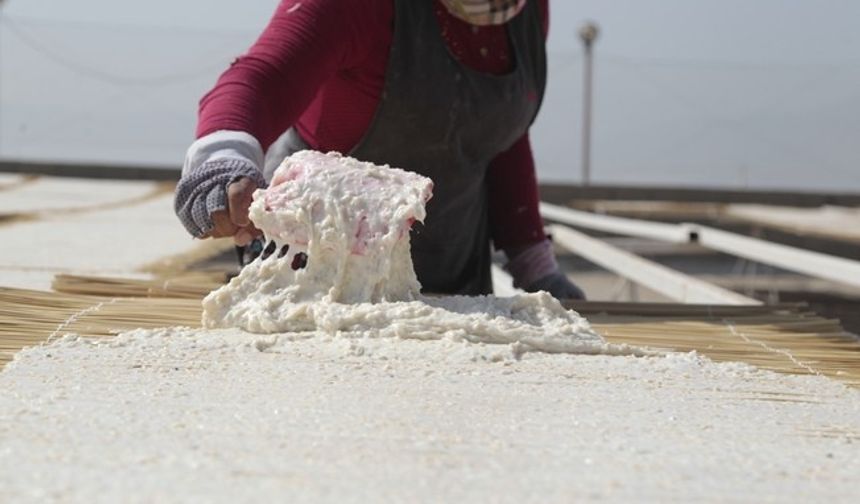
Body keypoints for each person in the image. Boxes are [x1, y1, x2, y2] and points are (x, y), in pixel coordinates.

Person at [174, 0, 585, 299]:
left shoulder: (526, 12)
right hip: (315, 283)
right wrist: (221, 157)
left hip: (455, 292)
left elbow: (498, 133)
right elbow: (264, 77)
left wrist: (534, 261)